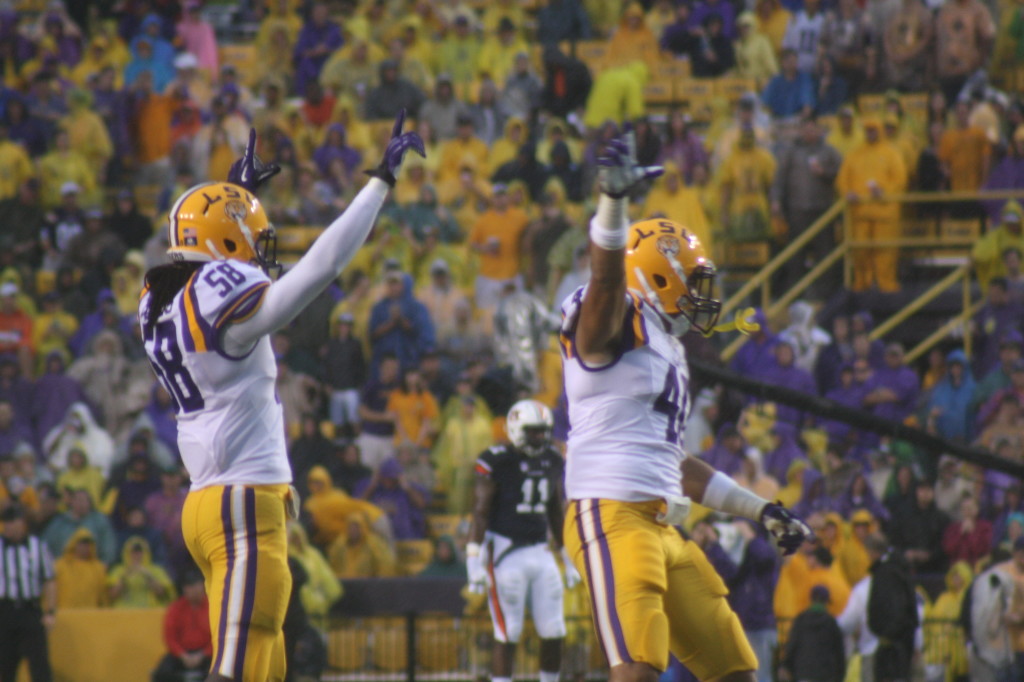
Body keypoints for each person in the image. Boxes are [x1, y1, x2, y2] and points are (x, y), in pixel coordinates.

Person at [136, 114, 423, 682]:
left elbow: (204, 252)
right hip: (242, 502)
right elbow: (322, 266)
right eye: (244, 237)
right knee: (238, 669)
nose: (256, 252)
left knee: (265, 665)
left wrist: (236, 196)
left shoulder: (157, 298)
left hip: (210, 500)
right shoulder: (224, 303)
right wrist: (378, 185)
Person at [558, 127, 811, 682]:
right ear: (654, 273)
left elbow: (673, 462)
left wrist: (761, 509)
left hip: (668, 525)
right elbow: (604, 281)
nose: (702, 294)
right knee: (639, 671)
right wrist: (613, 205)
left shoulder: (665, 346)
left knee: (736, 669)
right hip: (612, 515)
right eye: (691, 281)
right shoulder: (610, 316)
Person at [466, 400, 580, 682]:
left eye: (543, 431)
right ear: (516, 429)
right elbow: (480, 513)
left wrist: (568, 557)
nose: (539, 437)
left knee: (555, 630)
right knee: (508, 631)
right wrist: (473, 561)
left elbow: (555, 510)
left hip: (541, 550)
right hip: (505, 551)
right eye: (533, 431)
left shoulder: (552, 459)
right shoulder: (497, 460)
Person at [0, 504, 56, 682]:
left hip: (30, 610)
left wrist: (50, 612)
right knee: (5, 665)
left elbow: (49, 579)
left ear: (22, 523)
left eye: (12, 521)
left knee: (39, 666)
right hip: (4, 611)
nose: (8, 526)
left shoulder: (38, 546)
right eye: (5, 522)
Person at [151, 571, 213, 682]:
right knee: (160, 673)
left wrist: (203, 654)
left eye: (195, 585)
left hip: (207, 654)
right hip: (182, 654)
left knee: (220, 673)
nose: (193, 590)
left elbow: (218, 637)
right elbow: (170, 637)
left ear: (203, 586)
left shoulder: (213, 607)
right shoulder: (176, 608)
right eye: (189, 586)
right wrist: (182, 655)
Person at [781, 585, 846, 682]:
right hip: (826, 675)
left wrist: (785, 665)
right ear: (826, 602)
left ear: (811, 599)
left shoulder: (801, 620)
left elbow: (792, 645)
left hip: (803, 673)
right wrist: (840, 676)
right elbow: (839, 652)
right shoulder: (831, 623)